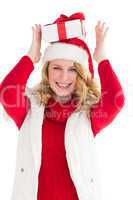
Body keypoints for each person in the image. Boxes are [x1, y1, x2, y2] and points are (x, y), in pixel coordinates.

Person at [0, 13, 125, 200]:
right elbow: (7, 93)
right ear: (47, 71)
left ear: (81, 73)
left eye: (72, 69)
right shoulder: (30, 109)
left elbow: (116, 100)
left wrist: (102, 59)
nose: (64, 77)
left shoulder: (88, 113)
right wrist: (31, 57)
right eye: (56, 68)